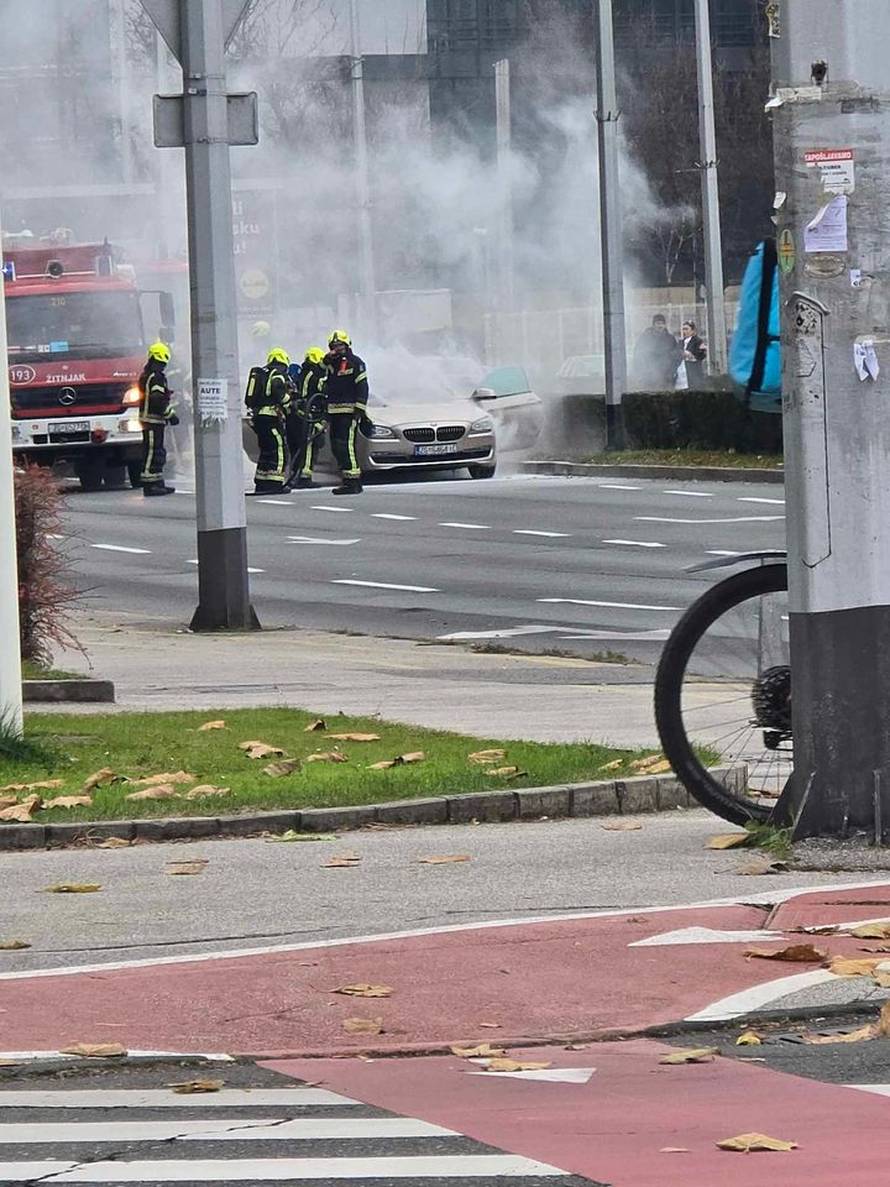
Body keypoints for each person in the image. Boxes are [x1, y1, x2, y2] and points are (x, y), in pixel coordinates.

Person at [323, 330, 369, 496]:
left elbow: (362, 386)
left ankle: (353, 482)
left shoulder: (356, 362)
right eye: (334, 346)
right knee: (336, 446)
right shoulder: (331, 365)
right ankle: (346, 479)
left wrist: (360, 409)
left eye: (340, 345)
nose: (337, 349)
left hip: (349, 412)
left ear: (347, 345)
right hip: (333, 411)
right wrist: (326, 359)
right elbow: (320, 378)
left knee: (346, 445)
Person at [246, 347, 290, 494]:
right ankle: (275, 483)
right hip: (271, 417)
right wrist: (289, 401)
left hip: (258, 417)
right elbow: (278, 390)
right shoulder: (277, 373)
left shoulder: (262, 373)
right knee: (278, 449)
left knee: (265, 450)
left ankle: (261, 483)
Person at [138, 341, 179, 497]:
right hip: (152, 421)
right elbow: (157, 399)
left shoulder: (149, 375)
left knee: (157, 452)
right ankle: (150, 485)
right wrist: (170, 414)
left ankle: (158, 482)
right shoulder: (156, 377)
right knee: (152, 453)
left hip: (153, 421)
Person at [287, 347, 328, 489]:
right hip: (310, 415)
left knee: (300, 446)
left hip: (299, 414)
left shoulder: (302, 372)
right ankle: (304, 477)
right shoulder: (314, 373)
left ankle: (295, 474)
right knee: (309, 446)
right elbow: (322, 388)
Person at [633, 314, 682, 390]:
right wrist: (642, 372)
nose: (660, 326)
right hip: (648, 377)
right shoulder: (645, 337)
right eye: (658, 323)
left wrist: (672, 371)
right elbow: (638, 354)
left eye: (662, 323)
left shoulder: (670, 338)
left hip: (666, 376)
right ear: (653, 325)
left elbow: (677, 355)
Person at [678, 320, 707, 390]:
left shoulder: (698, 341)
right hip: (683, 370)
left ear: (693, 331)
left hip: (694, 371)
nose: (684, 331)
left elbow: (702, 354)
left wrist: (692, 356)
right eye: (683, 329)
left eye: (686, 329)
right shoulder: (681, 342)